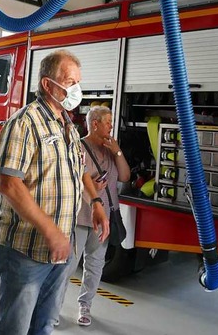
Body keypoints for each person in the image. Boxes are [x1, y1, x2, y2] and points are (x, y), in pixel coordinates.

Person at [0, 49, 109, 335]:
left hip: (60, 249)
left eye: (78, 82)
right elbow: (9, 184)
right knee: (15, 329)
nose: (75, 89)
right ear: (47, 84)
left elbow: (78, 168)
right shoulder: (24, 123)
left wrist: (95, 202)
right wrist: (50, 230)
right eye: (69, 81)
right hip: (26, 249)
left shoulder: (66, 124)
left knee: (44, 325)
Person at [69, 105, 130, 326]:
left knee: (95, 265)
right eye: (107, 122)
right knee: (68, 265)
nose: (111, 126)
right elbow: (71, 182)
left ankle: (85, 306)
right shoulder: (79, 148)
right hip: (80, 217)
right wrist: (92, 188)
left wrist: (118, 152)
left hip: (104, 219)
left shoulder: (110, 150)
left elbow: (124, 176)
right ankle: (52, 307)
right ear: (95, 124)